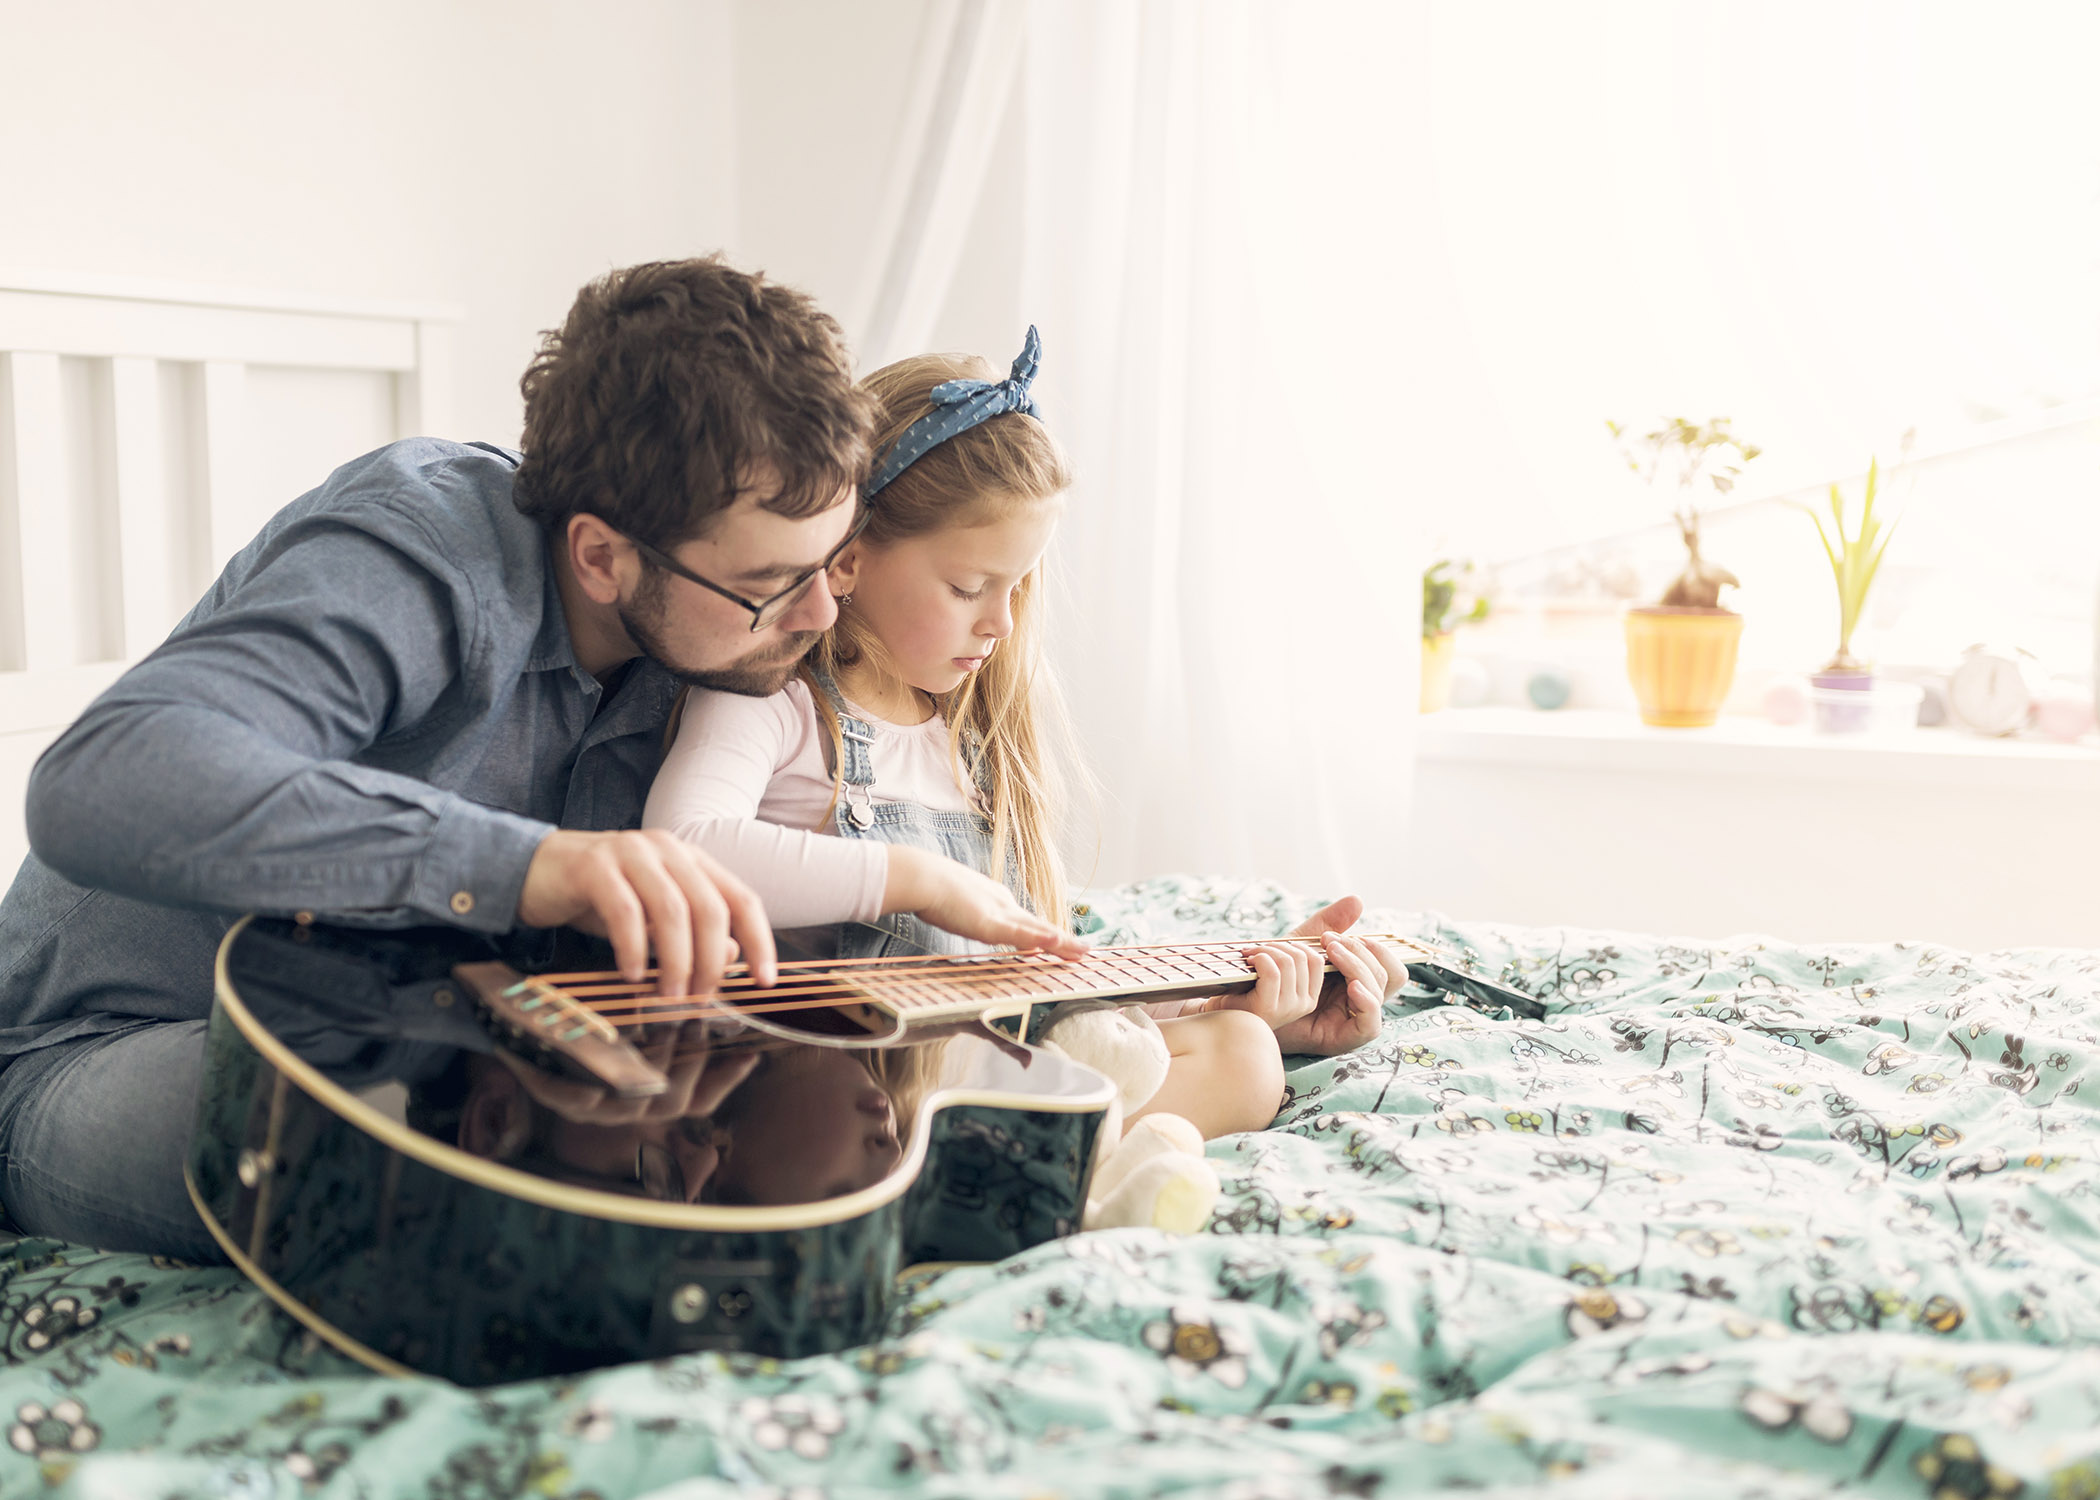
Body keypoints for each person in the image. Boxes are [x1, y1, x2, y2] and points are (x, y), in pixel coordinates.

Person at [0, 257, 1075, 1263]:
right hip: (106, 1046)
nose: (820, 614)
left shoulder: (706, 642)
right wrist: (533, 867)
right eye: (771, 584)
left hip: (435, 1032)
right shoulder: (424, 551)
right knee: (438, 1160)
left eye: (828, 564)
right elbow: (104, 779)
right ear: (602, 556)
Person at [644, 329, 1407, 1142]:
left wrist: (1230, 991)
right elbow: (679, 848)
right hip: (824, 1094)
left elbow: (1033, 986)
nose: (1001, 622)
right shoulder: (774, 702)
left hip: (978, 1071)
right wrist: (914, 879)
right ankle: (1081, 1161)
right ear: (849, 558)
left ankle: (1067, 1158)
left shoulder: (972, 743)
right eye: (969, 585)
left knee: (1242, 1053)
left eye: (1017, 586)